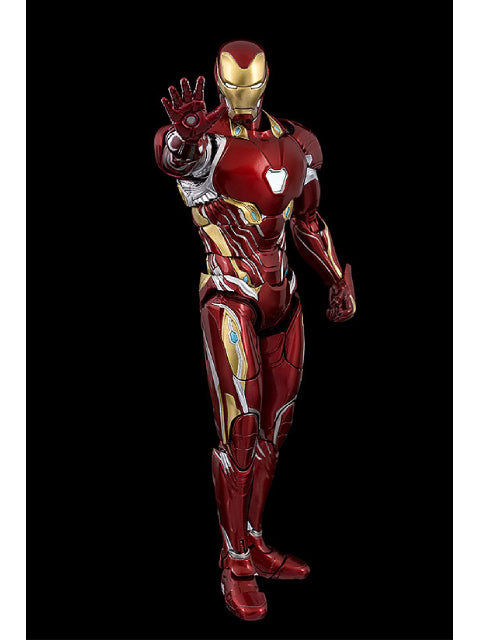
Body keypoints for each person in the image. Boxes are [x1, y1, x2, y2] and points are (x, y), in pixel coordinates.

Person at [154, 39, 356, 621]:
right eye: (233, 86)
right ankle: (234, 560)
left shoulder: (297, 141)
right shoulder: (206, 143)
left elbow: (308, 220)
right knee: (239, 428)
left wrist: (336, 279)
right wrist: (184, 137)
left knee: (275, 427)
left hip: (283, 297)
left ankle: (255, 542)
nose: (242, 96)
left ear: (265, 82)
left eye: (251, 86)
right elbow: (173, 156)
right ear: (221, 83)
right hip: (230, 294)